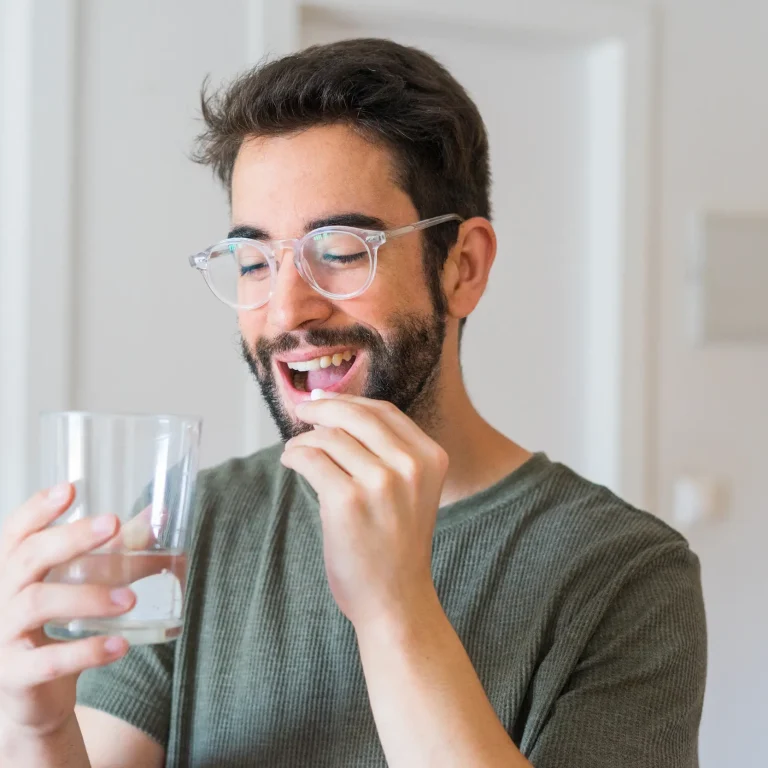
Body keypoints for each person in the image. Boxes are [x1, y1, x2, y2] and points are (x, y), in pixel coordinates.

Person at [0, 38, 706, 767]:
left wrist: (395, 605)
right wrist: (37, 727)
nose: (287, 310)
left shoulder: (626, 573)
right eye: (253, 262)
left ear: (462, 267)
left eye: (339, 251)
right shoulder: (197, 524)